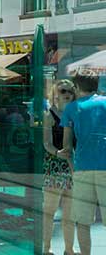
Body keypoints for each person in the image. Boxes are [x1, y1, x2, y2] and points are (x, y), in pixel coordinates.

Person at [59, 69, 106, 255]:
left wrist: (73, 169)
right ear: (97, 84)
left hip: (82, 168)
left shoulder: (71, 108)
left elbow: (66, 148)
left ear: (77, 87)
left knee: (83, 221)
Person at [43, 79, 79, 255]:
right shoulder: (49, 115)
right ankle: (46, 247)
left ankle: (69, 248)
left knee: (70, 213)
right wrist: (57, 153)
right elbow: (46, 143)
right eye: (63, 91)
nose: (66, 94)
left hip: (73, 168)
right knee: (49, 210)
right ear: (55, 94)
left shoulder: (77, 114)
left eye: (70, 91)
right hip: (55, 167)